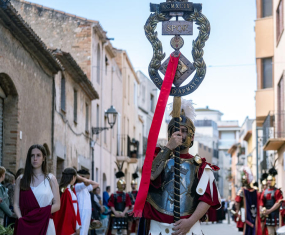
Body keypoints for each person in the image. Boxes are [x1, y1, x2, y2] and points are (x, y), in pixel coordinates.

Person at [138, 98, 221, 235]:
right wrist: (169, 147)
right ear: (169, 134)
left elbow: (206, 199)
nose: (179, 134)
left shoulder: (201, 166)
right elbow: (150, 175)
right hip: (157, 230)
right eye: (175, 131)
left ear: (192, 136)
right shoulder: (158, 157)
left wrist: (190, 222)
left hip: (188, 230)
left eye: (184, 131)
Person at [13, 144, 60, 235]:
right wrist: (21, 219)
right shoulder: (21, 179)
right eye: (32, 155)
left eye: (38, 155)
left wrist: (38, 215)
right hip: (25, 224)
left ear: (44, 158)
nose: (35, 158)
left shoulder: (51, 179)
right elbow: (16, 204)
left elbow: (57, 205)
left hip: (46, 224)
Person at [52, 167, 81, 235]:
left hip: (62, 224)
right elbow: (70, 211)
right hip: (68, 226)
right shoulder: (67, 192)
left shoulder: (63, 190)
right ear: (73, 177)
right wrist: (77, 227)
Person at [235, 167, 262, 235]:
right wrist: (238, 211)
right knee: (248, 228)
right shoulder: (255, 191)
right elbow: (237, 201)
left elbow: (237, 202)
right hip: (248, 213)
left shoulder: (242, 190)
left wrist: (237, 210)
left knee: (248, 229)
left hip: (246, 212)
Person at [106, 168, 131, 235]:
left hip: (123, 215)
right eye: (122, 185)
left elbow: (127, 205)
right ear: (119, 185)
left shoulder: (126, 195)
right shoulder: (113, 195)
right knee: (113, 232)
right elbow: (111, 205)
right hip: (115, 215)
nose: (123, 186)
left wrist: (123, 213)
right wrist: (115, 213)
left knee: (124, 232)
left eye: (124, 185)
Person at [75, 169, 99, 235]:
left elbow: (97, 184)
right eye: (87, 178)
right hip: (81, 212)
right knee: (81, 232)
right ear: (80, 177)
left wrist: (85, 179)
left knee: (85, 232)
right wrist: (82, 178)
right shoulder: (77, 186)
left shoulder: (86, 188)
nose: (88, 180)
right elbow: (87, 183)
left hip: (87, 213)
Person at [260, 165, 283, 235]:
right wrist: (262, 211)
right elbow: (261, 202)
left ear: (273, 181)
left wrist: (269, 211)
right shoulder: (264, 191)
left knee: (278, 232)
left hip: (276, 215)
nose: (268, 182)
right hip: (268, 216)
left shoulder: (277, 191)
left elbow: (278, 203)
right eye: (267, 180)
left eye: (270, 180)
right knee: (270, 233)